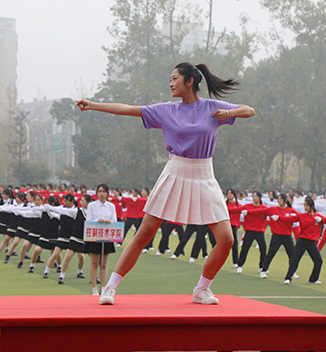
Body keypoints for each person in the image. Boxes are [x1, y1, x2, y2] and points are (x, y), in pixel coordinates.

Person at [76, 62, 254, 305]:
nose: (170, 83)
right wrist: (93, 105)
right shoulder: (166, 110)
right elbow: (127, 109)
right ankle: (110, 287)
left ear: (189, 82)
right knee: (144, 233)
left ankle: (202, 289)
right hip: (175, 172)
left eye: (174, 78)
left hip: (204, 175)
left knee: (226, 239)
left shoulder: (212, 108)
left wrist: (229, 114)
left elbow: (249, 110)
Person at [284, 196, 326, 284]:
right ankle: (288, 278)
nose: (305, 207)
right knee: (295, 259)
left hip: (312, 242)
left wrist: (321, 219)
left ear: (312, 206)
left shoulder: (317, 216)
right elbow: (290, 219)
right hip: (302, 240)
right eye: (304, 205)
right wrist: (279, 218)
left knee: (318, 261)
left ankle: (313, 279)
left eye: (307, 205)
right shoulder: (302, 215)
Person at [85, 184, 117, 296]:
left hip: (106, 236)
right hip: (95, 235)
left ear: (107, 193)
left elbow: (115, 220)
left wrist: (109, 221)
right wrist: (97, 221)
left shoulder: (111, 206)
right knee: (94, 263)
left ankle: (103, 288)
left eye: (104, 191)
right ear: (97, 193)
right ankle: (94, 288)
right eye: (99, 191)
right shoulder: (92, 205)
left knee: (103, 264)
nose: (101, 193)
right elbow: (88, 220)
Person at [235, 191, 269, 276]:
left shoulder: (264, 208)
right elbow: (237, 210)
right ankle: (240, 265)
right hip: (249, 231)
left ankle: (261, 266)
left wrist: (249, 212)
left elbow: (262, 212)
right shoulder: (247, 206)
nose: (254, 198)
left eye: (256, 196)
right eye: (253, 196)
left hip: (259, 231)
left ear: (259, 198)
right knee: (245, 248)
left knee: (263, 249)